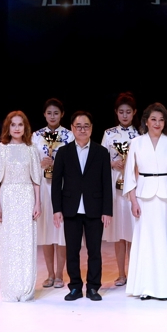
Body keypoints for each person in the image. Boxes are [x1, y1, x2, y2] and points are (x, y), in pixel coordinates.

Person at [123, 103, 167, 300]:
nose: (157, 123)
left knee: (165, 240)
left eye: (161, 120)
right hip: (143, 197)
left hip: (166, 197)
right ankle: (145, 287)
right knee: (145, 241)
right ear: (146, 121)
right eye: (153, 119)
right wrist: (133, 201)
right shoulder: (136, 143)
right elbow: (130, 175)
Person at [51, 112, 113, 302]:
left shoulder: (101, 152)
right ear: (72, 128)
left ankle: (93, 287)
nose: (82, 129)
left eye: (86, 126)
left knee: (94, 251)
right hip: (70, 208)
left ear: (92, 128)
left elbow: (106, 183)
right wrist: (57, 209)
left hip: (95, 208)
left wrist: (107, 210)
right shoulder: (63, 152)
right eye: (78, 126)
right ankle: (75, 287)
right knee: (72, 251)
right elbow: (56, 183)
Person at [0, 111, 42, 302]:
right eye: (13, 124)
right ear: (8, 127)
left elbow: (36, 179)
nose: (17, 128)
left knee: (26, 243)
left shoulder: (31, 149)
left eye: (20, 124)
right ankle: (11, 288)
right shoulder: (1, 149)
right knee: (9, 243)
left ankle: (26, 288)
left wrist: (38, 202)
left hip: (27, 197)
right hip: (8, 198)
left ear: (25, 127)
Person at [33, 98, 72, 289]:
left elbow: (75, 162)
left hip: (63, 186)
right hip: (43, 186)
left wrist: (59, 166)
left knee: (61, 232)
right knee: (46, 231)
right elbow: (30, 162)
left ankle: (59, 274)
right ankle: (49, 274)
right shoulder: (36, 136)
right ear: (44, 114)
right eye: (49, 113)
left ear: (62, 114)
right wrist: (41, 164)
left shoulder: (69, 135)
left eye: (56, 113)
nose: (52, 116)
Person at [101, 92, 139, 287]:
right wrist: (112, 163)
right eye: (121, 112)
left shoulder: (140, 134)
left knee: (133, 231)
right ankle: (121, 274)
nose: (125, 115)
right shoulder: (109, 134)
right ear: (116, 112)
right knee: (119, 234)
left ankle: (134, 273)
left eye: (128, 112)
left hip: (134, 186)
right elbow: (100, 159)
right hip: (114, 185)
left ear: (134, 112)